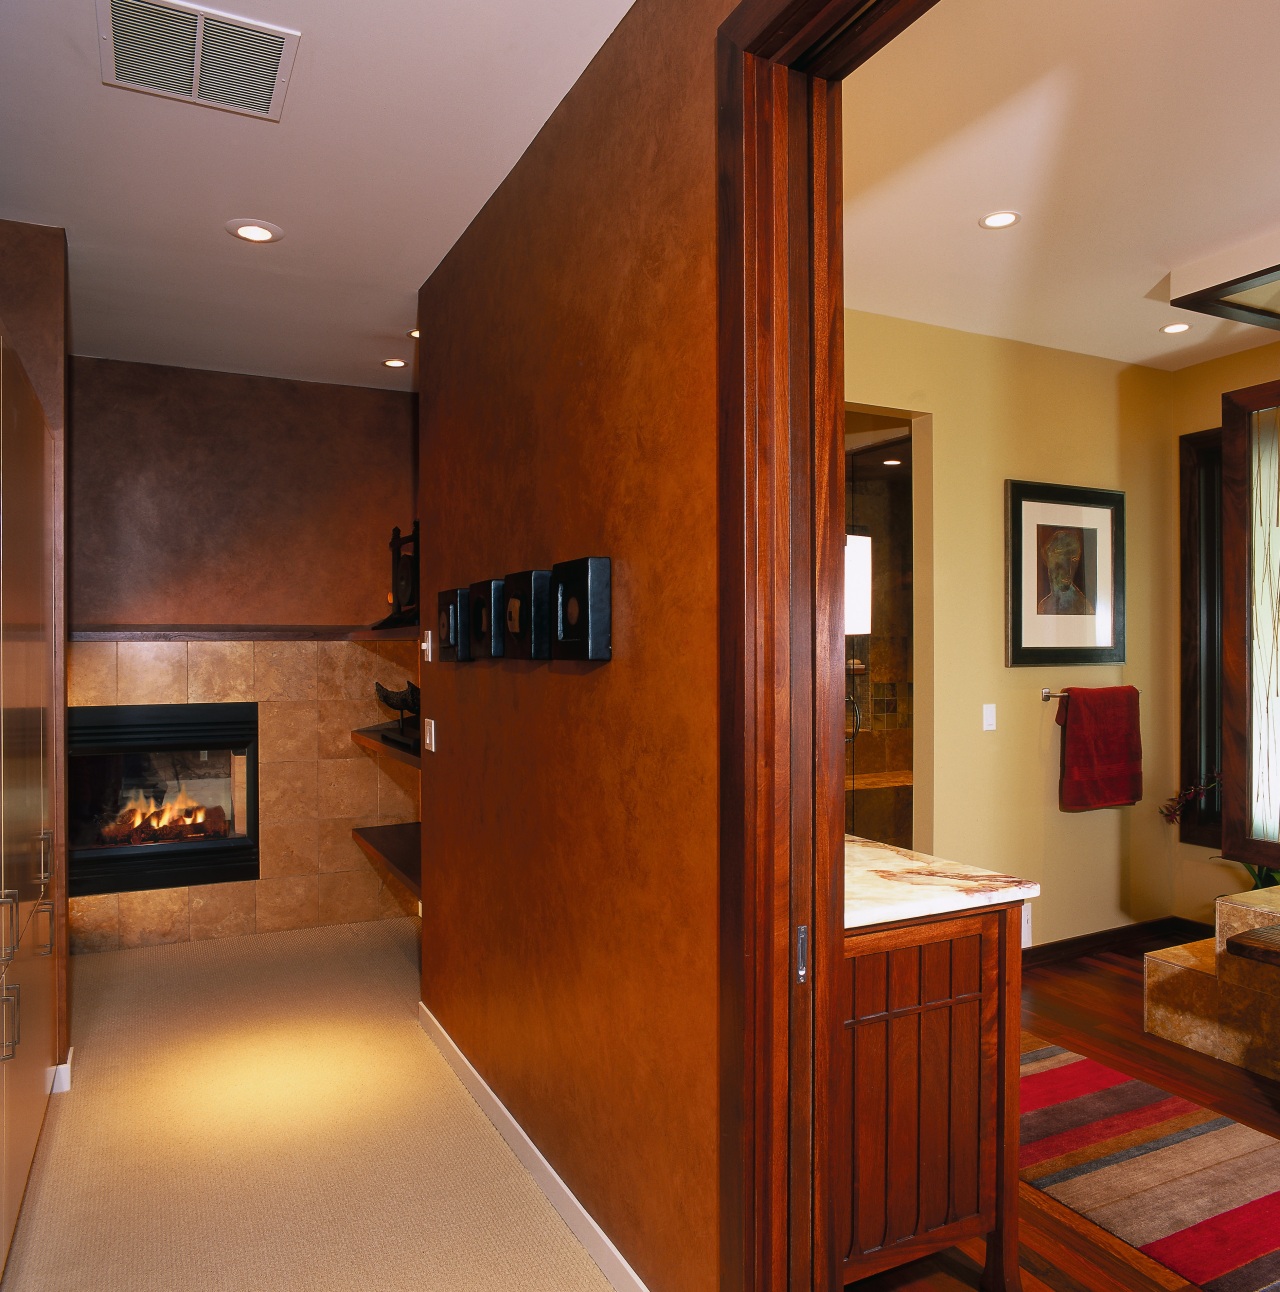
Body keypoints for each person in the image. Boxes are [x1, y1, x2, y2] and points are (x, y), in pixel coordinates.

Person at [1037, 527, 1094, 616]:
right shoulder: (1043, 606)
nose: (1069, 571)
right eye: (1061, 562)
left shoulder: (1083, 607)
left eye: (1074, 561)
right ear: (1049, 561)